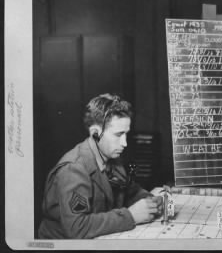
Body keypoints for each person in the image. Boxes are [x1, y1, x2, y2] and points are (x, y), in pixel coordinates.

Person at [38, 94, 163, 239]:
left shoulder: (112, 159)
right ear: (95, 134)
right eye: (118, 135)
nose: (125, 143)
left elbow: (130, 191)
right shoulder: (73, 170)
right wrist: (131, 216)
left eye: (126, 134)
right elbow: (77, 228)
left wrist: (150, 201)